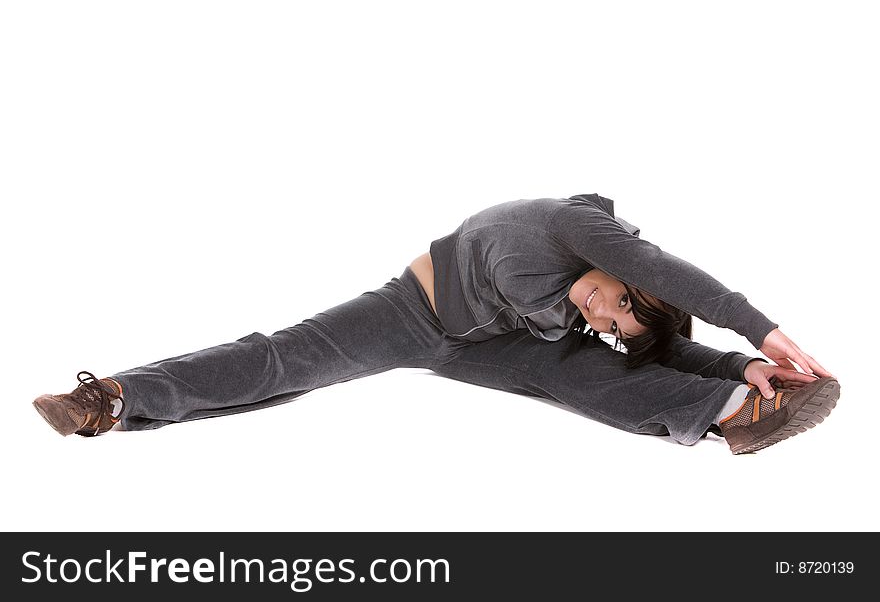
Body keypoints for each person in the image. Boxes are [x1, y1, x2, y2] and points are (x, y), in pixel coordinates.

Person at [32, 193, 839, 454]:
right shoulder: (582, 229)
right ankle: (114, 396)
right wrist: (760, 331)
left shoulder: (583, 309)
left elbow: (648, 336)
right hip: (414, 313)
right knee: (282, 362)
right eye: (623, 297)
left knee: (591, 373)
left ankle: (739, 410)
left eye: (620, 316)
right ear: (631, 271)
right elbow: (667, 281)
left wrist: (737, 366)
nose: (609, 306)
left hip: (500, 341)